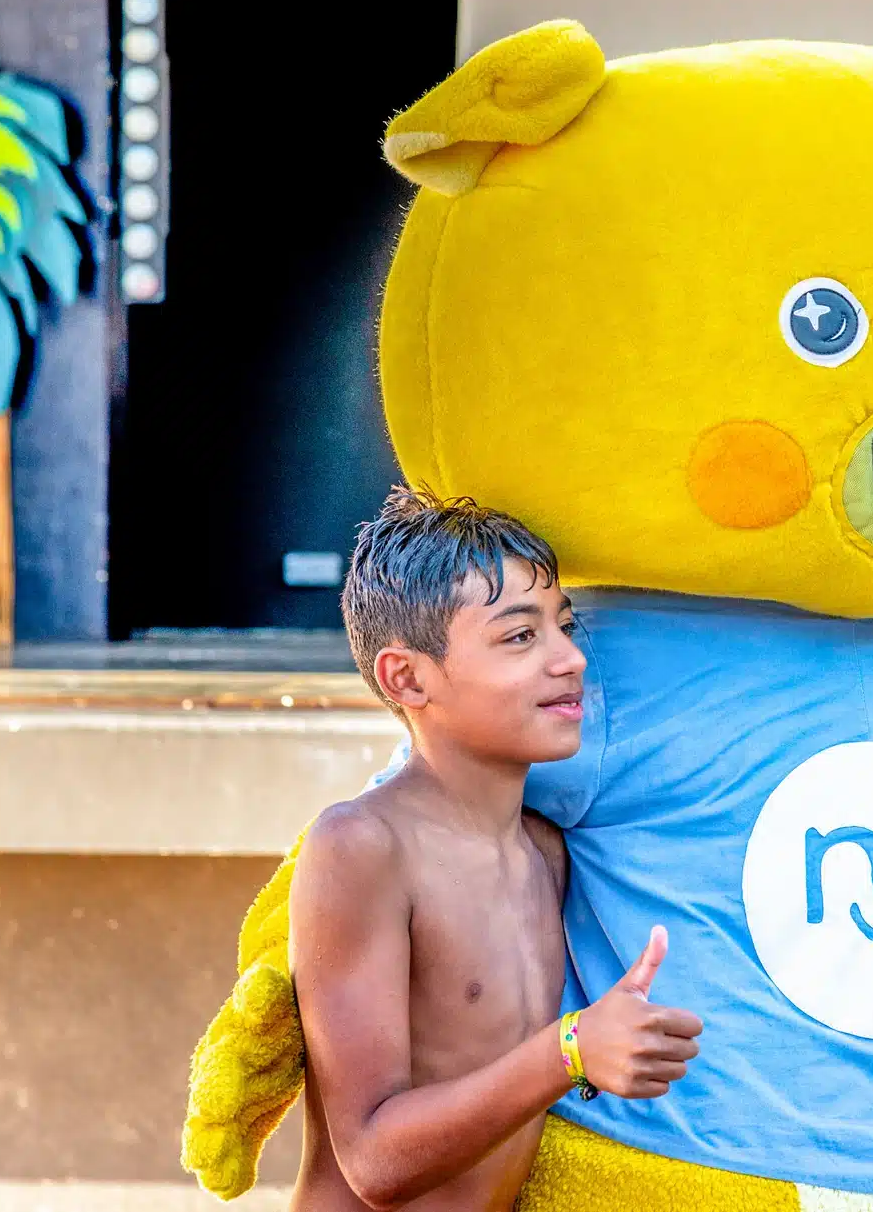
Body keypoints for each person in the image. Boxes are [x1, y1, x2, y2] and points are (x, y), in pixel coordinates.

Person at [287, 489, 703, 1211]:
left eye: (565, 626)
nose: (569, 658)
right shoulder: (363, 847)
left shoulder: (545, 851)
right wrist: (571, 1049)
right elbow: (373, 1158)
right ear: (406, 677)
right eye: (520, 637)